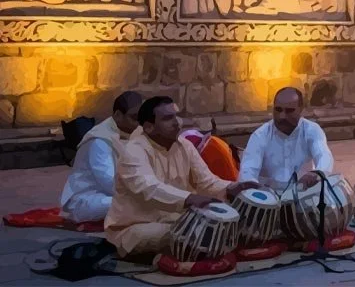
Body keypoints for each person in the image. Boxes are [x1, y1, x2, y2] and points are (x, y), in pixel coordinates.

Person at [104, 97, 258, 258]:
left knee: (218, 226)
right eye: (167, 118)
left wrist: (230, 188)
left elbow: (207, 182)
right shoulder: (134, 150)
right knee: (184, 234)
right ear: (149, 127)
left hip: (179, 219)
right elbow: (149, 188)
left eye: (176, 115)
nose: (177, 122)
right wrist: (189, 198)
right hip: (136, 226)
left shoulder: (185, 146)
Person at [59, 91, 143, 224]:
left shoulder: (137, 133)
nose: (139, 123)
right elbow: (109, 182)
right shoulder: (99, 140)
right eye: (134, 117)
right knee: (130, 205)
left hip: (121, 193)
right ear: (118, 115)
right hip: (87, 199)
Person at [238, 87, 334, 191]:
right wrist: (253, 187)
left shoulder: (312, 130)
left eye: (289, 111)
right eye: (278, 110)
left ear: (301, 109)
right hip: (269, 199)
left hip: (303, 195)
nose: (282, 116)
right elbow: (247, 171)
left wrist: (316, 174)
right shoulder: (260, 135)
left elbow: (324, 156)